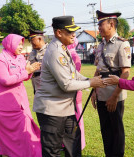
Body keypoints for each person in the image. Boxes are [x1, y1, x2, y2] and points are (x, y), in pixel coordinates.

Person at [33, 16, 104, 157]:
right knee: (52, 150)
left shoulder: (63, 49)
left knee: (73, 145)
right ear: (59, 33)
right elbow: (66, 84)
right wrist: (91, 83)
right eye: (70, 31)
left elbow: (74, 74)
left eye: (74, 31)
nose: (74, 35)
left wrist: (90, 79)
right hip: (51, 111)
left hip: (66, 109)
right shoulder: (55, 52)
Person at [0, 34, 42, 157]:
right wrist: (26, 72)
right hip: (1, 105)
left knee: (27, 133)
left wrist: (30, 72)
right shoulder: (0, 59)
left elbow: (24, 77)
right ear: (9, 44)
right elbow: (5, 80)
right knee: (6, 139)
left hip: (19, 102)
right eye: (19, 44)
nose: (21, 47)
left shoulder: (20, 58)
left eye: (22, 44)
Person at [91, 10, 131, 157]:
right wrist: (94, 91)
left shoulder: (122, 44)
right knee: (105, 130)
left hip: (115, 94)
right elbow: (98, 70)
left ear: (111, 24)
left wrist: (114, 97)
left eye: (101, 24)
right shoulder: (100, 45)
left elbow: (125, 73)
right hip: (101, 94)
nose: (99, 28)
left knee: (117, 131)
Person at [67, 38, 86, 150]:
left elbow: (74, 76)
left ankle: (79, 143)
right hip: (68, 94)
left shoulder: (74, 56)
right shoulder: (67, 55)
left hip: (74, 93)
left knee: (77, 119)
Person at [28, 29, 48, 94]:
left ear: (39, 39)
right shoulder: (32, 53)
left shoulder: (50, 51)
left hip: (47, 87)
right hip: (36, 87)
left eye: (32, 40)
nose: (31, 43)